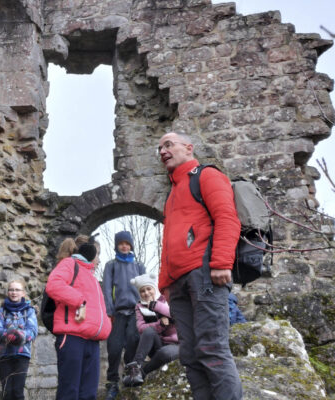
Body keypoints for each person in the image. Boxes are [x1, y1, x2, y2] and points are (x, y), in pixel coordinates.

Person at [157, 131, 243, 400]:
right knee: (190, 355)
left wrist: (220, 262)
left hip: (205, 274)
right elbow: (168, 243)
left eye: (169, 145)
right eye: (159, 148)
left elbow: (227, 218)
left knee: (212, 349)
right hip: (178, 282)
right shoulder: (172, 193)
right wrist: (164, 284)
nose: (162, 151)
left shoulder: (206, 175)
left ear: (189, 148)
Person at [46, 235, 112, 400]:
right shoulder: (70, 264)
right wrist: (80, 301)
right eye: (98, 254)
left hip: (92, 340)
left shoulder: (91, 276)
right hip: (72, 337)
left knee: (88, 394)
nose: (99, 259)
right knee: (70, 392)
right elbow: (54, 285)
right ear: (89, 252)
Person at [102, 230, 146, 399]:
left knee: (132, 343)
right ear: (116, 246)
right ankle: (112, 383)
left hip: (136, 311)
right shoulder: (111, 265)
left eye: (127, 244)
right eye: (121, 244)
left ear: (131, 245)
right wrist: (109, 310)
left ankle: (131, 378)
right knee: (114, 348)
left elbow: (146, 288)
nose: (124, 246)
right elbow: (106, 288)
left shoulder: (139, 266)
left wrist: (146, 308)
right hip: (118, 313)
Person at [123, 273, 178, 387]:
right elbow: (141, 328)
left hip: (178, 344)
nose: (146, 293)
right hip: (159, 343)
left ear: (154, 288)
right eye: (142, 291)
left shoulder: (166, 298)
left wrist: (156, 306)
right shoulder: (140, 307)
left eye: (149, 289)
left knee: (165, 353)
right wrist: (160, 324)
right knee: (148, 331)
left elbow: (176, 314)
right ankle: (135, 368)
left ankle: (141, 373)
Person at [0, 279, 38, 400]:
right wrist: (9, 335)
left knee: (17, 391)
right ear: (8, 292)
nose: (14, 292)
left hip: (22, 355)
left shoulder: (29, 311)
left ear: (23, 293)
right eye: (11, 290)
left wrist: (18, 335)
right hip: (5, 354)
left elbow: (32, 331)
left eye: (17, 290)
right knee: (6, 392)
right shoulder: (2, 311)